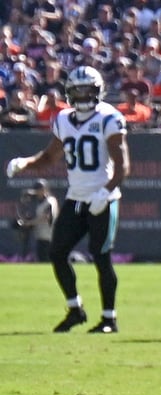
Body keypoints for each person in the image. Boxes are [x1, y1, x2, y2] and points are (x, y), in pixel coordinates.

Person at [6, 66, 130, 334]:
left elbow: (123, 166)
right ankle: (75, 310)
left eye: (88, 90)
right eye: (78, 91)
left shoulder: (109, 117)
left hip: (103, 198)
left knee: (101, 256)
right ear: (70, 93)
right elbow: (50, 157)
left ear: (98, 91)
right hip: (76, 198)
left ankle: (109, 319)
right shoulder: (63, 119)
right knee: (57, 252)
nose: (83, 95)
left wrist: (106, 192)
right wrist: (25, 163)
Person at [17, 179, 59, 262]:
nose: (38, 192)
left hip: (49, 238)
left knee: (46, 262)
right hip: (41, 237)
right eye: (36, 190)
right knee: (42, 261)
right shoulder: (39, 202)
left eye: (40, 189)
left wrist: (29, 223)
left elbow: (46, 217)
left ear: (45, 189)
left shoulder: (50, 201)